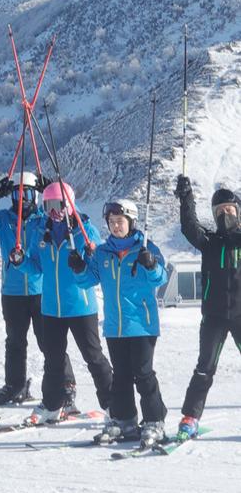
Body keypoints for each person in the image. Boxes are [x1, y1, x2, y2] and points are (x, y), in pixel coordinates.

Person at [71, 197, 168, 447]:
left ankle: (154, 421)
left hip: (142, 325)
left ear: (131, 222)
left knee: (143, 374)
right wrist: (79, 268)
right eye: (112, 222)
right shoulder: (103, 252)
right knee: (121, 376)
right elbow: (87, 281)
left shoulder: (146, 247)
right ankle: (125, 420)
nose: (115, 226)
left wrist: (151, 264)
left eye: (120, 221)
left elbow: (160, 278)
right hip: (115, 327)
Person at [0, 169, 73, 406]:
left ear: (35, 196)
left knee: (48, 341)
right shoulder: (5, 220)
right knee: (15, 341)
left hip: (40, 291)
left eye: (27, 193)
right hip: (13, 292)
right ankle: (15, 385)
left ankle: (65, 384)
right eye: (17, 195)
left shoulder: (43, 220)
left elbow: (70, 217)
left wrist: (56, 193)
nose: (23, 199)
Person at [23, 181, 112, 422]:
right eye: (49, 206)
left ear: (70, 205)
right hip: (51, 308)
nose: (54, 212)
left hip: (81, 306)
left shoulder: (84, 231)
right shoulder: (42, 232)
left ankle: (114, 404)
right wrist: (20, 261)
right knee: (53, 359)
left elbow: (96, 268)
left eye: (59, 205)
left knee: (93, 357)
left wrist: (84, 263)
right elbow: (36, 267)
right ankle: (53, 404)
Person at [174, 176, 241, 437]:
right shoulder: (210, 242)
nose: (225, 214)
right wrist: (186, 198)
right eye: (220, 211)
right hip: (213, 318)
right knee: (204, 368)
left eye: (229, 210)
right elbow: (189, 226)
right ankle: (191, 418)